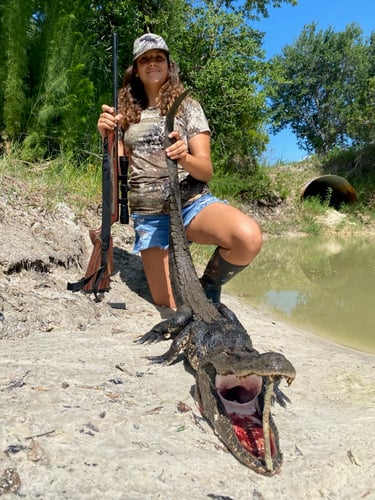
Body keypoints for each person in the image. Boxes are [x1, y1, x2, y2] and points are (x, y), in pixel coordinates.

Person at [97, 33, 262, 309]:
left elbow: (206, 170)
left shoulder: (188, 107)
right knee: (172, 305)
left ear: (168, 65)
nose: (152, 63)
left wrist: (184, 157)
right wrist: (108, 139)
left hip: (190, 205)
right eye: (145, 59)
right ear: (136, 70)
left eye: (158, 58)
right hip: (150, 214)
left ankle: (209, 285)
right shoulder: (123, 114)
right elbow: (116, 173)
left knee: (248, 237)